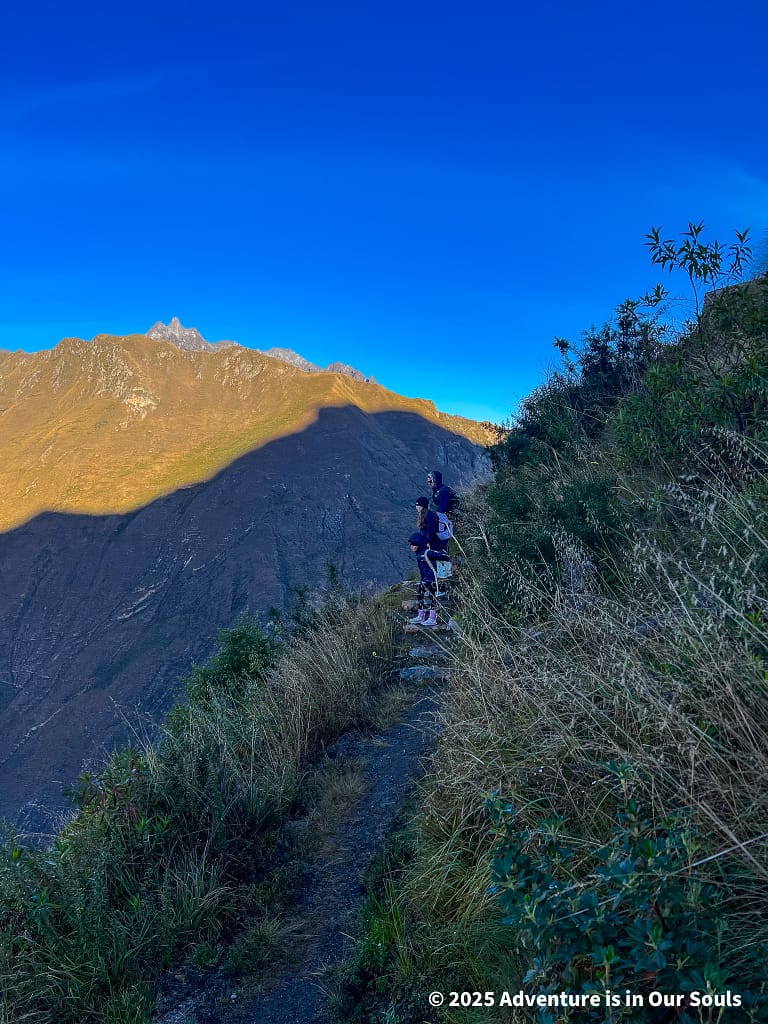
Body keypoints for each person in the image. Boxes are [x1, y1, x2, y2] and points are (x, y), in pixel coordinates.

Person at [407, 530, 438, 627]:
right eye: (411, 544)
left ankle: (432, 618)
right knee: (420, 595)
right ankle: (421, 615)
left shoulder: (425, 553)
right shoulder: (420, 553)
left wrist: (430, 578)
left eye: (414, 544)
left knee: (432, 597)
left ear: (419, 544)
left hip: (430, 579)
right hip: (425, 578)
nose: (411, 546)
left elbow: (432, 566)